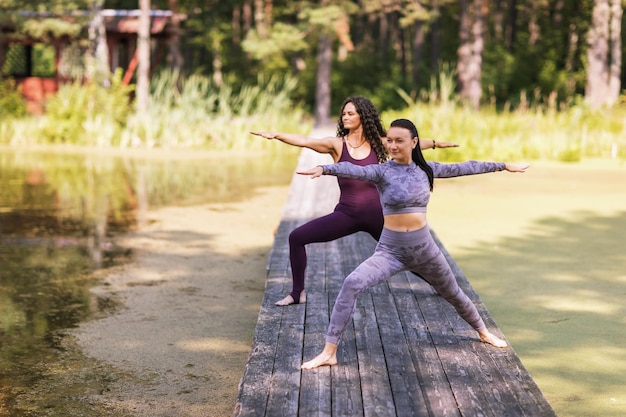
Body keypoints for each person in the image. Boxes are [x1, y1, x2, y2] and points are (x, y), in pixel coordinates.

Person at [297, 118, 529, 369]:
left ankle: (484, 332)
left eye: (399, 140)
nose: (393, 145)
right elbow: (355, 170)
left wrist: (504, 166)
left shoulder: (426, 169)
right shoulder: (382, 171)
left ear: (414, 142)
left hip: (425, 251)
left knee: (453, 293)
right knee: (352, 283)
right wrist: (325, 169)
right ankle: (329, 352)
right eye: (390, 140)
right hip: (391, 251)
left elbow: (466, 167)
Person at [251, 96, 457, 306]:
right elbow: (305, 140)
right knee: (296, 237)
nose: (345, 117)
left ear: (363, 116)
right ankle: (297, 293)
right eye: (344, 113)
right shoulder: (336, 145)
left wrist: (435, 143)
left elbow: (409, 144)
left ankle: (442, 286)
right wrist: (276, 135)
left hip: (378, 215)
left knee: (407, 255)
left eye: (351, 113)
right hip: (347, 215)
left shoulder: (379, 142)